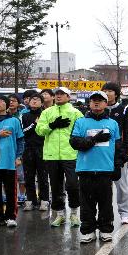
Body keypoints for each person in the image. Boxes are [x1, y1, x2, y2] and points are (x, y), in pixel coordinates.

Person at [68, 91, 121, 243]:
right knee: (87, 202)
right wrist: (94, 139)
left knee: (105, 202)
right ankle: (88, 230)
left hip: (105, 169)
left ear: (106, 103)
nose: (96, 103)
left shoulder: (113, 123)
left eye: (100, 100)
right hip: (86, 169)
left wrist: (117, 165)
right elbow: (75, 143)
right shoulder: (80, 122)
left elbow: (118, 147)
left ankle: (105, 229)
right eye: (94, 101)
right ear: (89, 103)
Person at [36, 86, 84, 227]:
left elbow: (81, 132)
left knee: (73, 184)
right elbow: (39, 130)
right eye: (57, 94)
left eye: (62, 94)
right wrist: (52, 125)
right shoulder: (47, 112)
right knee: (56, 186)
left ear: (68, 97)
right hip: (52, 155)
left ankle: (74, 213)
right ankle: (60, 214)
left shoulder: (76, 113)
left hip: (70, 153)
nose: (58, 96)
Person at [0, 95, 24, 228]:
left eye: (1, 101)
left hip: (9, 161)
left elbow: (20, 140)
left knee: (11, 191)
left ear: (7, 105)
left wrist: (19, 156)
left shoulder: (14, 121)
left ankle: (11, 216)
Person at [103, 82, 128, 225]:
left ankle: (124, 213)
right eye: (105, 91)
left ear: (116, 94)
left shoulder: (123, 110)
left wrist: (125, 152)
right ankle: (106, 214)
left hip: (118, 154)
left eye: (110, 91)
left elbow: (127, 133)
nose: (108, 93)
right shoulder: (98, 110)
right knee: (104, 186)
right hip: (101, 155)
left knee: (121, 186)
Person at [21, 93, 50, 211]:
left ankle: (44, 200)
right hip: (28, 149)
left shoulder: (46, 114)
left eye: (37, 99)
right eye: (33, 99)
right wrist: (34, 124)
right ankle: (30, 200)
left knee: (43, 176)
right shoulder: (25, 115)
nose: (34, 101)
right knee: (29, 175)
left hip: (43, 148)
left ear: (42, 103)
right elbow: (24, 132)